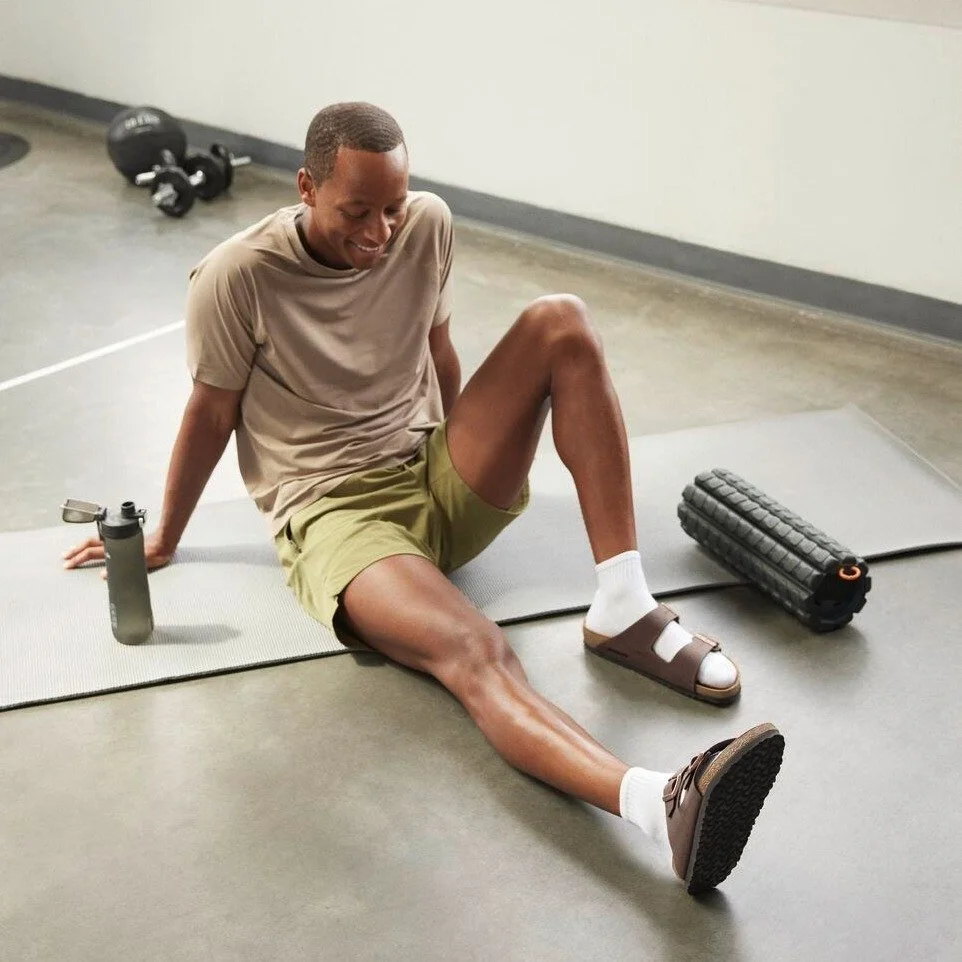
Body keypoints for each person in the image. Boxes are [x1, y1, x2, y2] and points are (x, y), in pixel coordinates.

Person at [64, 102, 784, 894]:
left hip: (429, 472)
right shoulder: (237, 277)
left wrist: (460, 454)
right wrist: (163, 537)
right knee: (477, 652)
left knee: (562, 321)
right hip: (337, 516)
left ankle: (623, 603)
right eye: (356, 212)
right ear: (305, 187)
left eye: (392, 207)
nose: (379, 233)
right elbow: (210, 413)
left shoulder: (426, 225)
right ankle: (659, 808)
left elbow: (441, 353)